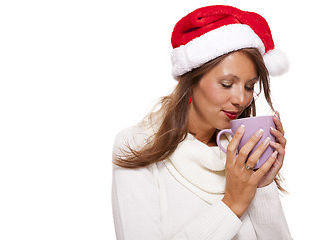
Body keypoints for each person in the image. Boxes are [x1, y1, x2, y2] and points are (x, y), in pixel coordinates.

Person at [112, 5, 292, 240]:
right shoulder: (137, 144)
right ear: (190, 82)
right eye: (227, 84)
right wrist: (231, 205)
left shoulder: (241, 153)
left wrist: (263, 185)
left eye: (249, 86)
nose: (240, 99)